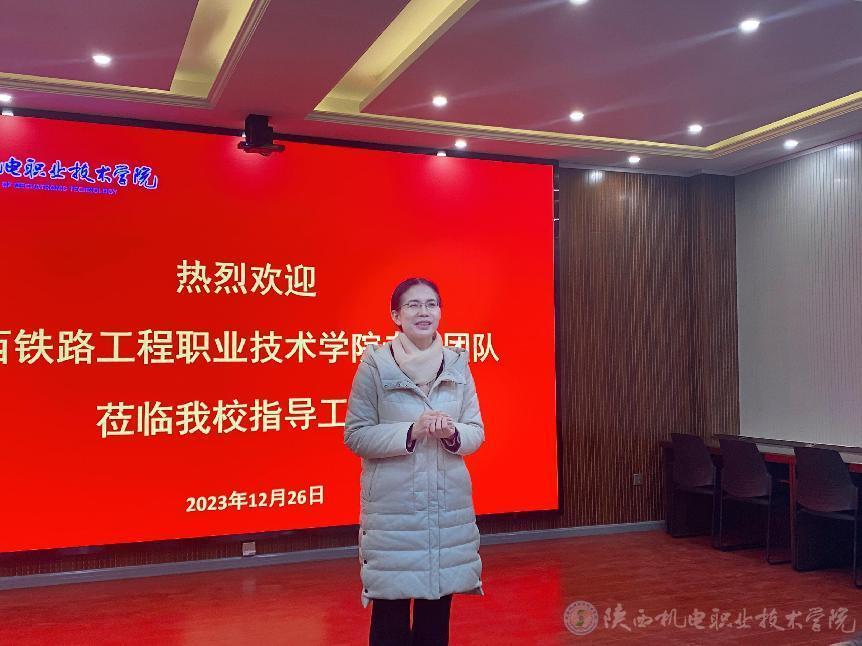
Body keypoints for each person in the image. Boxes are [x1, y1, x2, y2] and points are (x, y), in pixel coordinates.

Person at [344, 277, 485, 646]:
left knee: (435, 621)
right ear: (396, 315)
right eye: (413, 305)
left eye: (431, 304)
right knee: (389, 620)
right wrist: (411, 431)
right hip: (394, 515)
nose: (424, 312)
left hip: (446, 511)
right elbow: (356, 435)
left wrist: (452, 433)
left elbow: (475, 431)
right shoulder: (375, 365)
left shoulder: (457, 364)